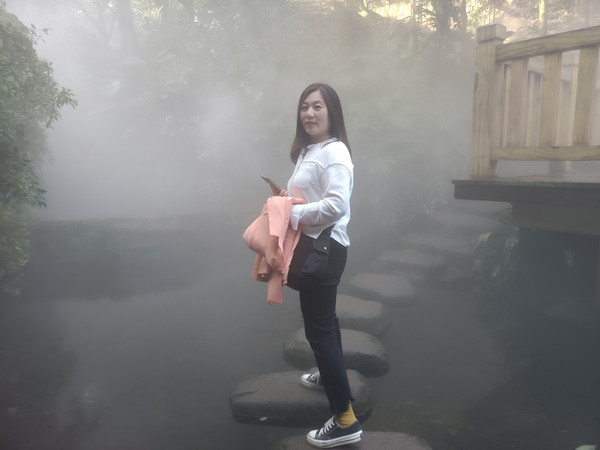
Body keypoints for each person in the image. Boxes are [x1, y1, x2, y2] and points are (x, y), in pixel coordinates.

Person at [273, 83, 361, 448]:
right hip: (317, 246)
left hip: (323, 250)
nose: (309, 113)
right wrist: (287, 201)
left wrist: (292, 214)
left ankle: (345, 420)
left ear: (332, 112)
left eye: (318, 107)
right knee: (326, 324)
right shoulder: (311, 151)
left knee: (319, 332)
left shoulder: (334, 151)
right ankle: (329, 376)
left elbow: (337, 204)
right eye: (304, 107)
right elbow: (313, 197)